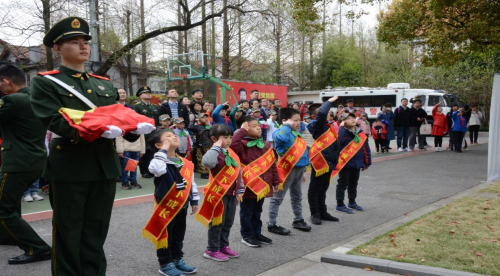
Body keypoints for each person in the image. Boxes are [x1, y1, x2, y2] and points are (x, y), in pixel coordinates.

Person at [30, 17, 154, 275]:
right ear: (58, 48)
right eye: (74, 42)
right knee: (68, 232)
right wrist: (94, 130)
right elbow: (53, 119)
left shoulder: (104, 83)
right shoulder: (46, 81)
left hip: (103, 166)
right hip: (71, 167)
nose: (83, 46)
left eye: (85, 41)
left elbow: (117, 120)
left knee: (96, 233)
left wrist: (133, 131)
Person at [0, 64, 52, 262]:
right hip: (36, 159)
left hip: (17, 161)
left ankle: (37, 248)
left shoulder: (11, 100)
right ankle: (7, 235)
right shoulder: (36, 98)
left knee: (3, 208)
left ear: (7, 81)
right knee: (10, 203)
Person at [146, 128, 199, 276]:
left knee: (178, 235)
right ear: (158, 145)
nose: (174, 137)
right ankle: (165, 263)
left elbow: (191, 183)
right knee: (165, 236)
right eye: (168, 137)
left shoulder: (184, 162)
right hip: (166, 206)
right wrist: (163, 150)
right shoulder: (159, 160)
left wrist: (194, 199)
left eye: (174, 135)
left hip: (182, 204)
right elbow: (156, 169)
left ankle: (177, 259)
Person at [230, 117, 278, 247]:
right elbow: (232, 145)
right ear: (245, 128)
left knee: (257, 211)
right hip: (249, 185)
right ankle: (247, 235)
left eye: (258, 125)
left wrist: (275, 180)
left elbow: (272, 165)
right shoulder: (241, 145)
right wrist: (241, 131)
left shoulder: (266, 144)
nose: (258, 128)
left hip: (263, 185)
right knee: (247, 212)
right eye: (253, 126)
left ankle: (257, 233)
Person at [200, 125, 243, 261]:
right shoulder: (214, 152)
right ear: (214, 139)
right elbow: (207, 162)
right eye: (225, 137)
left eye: (230, 137)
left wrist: (239, 190)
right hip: (218, 193)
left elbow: (238, 172)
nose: (229, 140)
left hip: (231, 193)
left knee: (228, 222)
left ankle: (223, 245)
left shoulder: (231, 153)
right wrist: (216, 146)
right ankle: (211, 249)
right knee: (217, 222)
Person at [268, 108, 311, 235]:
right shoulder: (281, 131)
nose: (298, 123)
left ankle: (298, 219)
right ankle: (272, 223)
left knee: (297, 196)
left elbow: (304, 152)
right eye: (295, 120)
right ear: (285, 121)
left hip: (299, 169)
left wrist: (304, 170)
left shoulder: (296, 133)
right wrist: (286, 126)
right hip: (286, 169)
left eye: (299, 120)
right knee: (277, 197)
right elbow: (280, 139)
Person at [306, 96, 341, 225]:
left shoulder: (328, 126)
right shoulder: (316, 125)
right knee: (314, 189)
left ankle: (323, 212)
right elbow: (322, 114)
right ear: (316, 115)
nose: (329, 114)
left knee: (323, 188)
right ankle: (314, 213)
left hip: (329, 161)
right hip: (320, 162)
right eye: (327, 112)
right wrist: (329, 102)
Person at [335, 113, 371, 214]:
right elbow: (339, 142)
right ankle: (340, 204)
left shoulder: (360, 133)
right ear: (342, 122)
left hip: (357, 163)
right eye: (348, 119)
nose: (352, 120)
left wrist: (367, 162)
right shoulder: (342, 132)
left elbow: (365, 148)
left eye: (353, 118)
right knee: (342, 184)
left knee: (353, 184)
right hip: (345, 163)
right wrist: (341, 127)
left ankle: (352, 202)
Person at [134, 85, 160, 178]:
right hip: (144, 132)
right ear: (140, 96)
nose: (148, 94)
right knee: (144, 152)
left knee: (153, 152)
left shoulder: (154, 106)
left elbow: (158, 119)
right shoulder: (137, 107)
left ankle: (151, 170)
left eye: (149, 93)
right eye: (145, 93)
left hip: (154, 132)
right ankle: (144, 171)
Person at [194, 113, 213, 179]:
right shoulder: (197, 126)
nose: (205, 119)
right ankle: (203, 172)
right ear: (199, 119)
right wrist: (195, 121)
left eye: (206, 117)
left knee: (209, 158)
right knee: (200, 158)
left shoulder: (209, 126)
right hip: (200, 145)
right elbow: (189, 127)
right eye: (203, 117)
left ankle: (208, 171)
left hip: (209, 144)